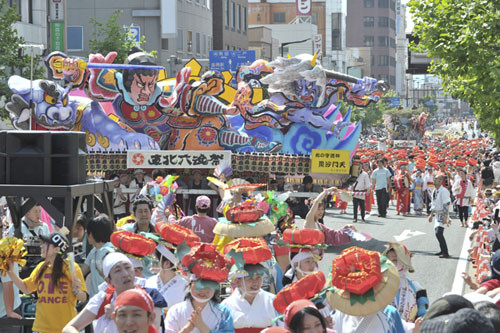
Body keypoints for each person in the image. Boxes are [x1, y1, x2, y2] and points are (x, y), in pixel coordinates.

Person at [63, 252, 166, 333]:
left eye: (128, 267)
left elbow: (153, 328)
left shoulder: (149, 295)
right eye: (118, 270)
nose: (125, 274)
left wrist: (120, 315)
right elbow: (69, 328)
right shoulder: (103, 299)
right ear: (108, 280)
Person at [7, 232, 87, 333]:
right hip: (43, 328)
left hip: (65, 328)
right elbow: (26, 289)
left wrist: (77, 291)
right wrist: (10, 271)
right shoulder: (41, 267)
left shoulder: (71, 267)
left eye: (45, 244)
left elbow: (83, 297)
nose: (42, 246)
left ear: (57, 249)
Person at [221, 263, 279, 331]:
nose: (255, 283)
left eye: (258, 278)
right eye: (250, 278)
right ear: (237, 282)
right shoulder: (227, 305)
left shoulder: (273, 301)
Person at [7, 203, 50, 278]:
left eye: (39, 211)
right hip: (23, 269)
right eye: (35, 211)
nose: (38, 214)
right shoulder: (16, 227)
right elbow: (9, 249)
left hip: (40, 267)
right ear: (27, 213)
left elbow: (49, 247)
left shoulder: (44, 226)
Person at [81, 214, 115, 298]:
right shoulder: (94, 251)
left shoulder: (110, 251)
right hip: (95, 299)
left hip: (107, 299)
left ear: (91, 235)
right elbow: (82, 271)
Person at [145, 244, 188, 309]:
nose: (152, 261)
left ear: (167, 264)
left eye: (155, 258)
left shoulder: (185, 286)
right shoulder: (149, 281)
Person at [429, 175, 451, 258]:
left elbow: (446, 203)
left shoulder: (443, 191)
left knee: (439, 232)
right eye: (434, 178)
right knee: (437, 233)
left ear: (441, 181)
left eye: (437, 179)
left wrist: (445, 216)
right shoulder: (435, 190)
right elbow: (433, 203)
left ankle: (445, 252)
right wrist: (431, 215)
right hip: (437, 214)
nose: (434, 180)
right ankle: (442, 250)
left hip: (442, 214)